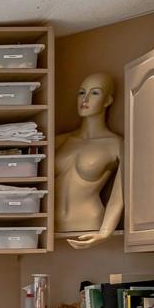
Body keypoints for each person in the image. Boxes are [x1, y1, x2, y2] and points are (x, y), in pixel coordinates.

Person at [54, 73, 123, 249]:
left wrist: (105, 232)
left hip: (90, 223)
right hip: (51, 226)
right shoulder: (58, 142)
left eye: (95, 93)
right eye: (81, 92)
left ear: (107, 101)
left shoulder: (116, 144)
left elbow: (119, 196)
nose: (85, 99)